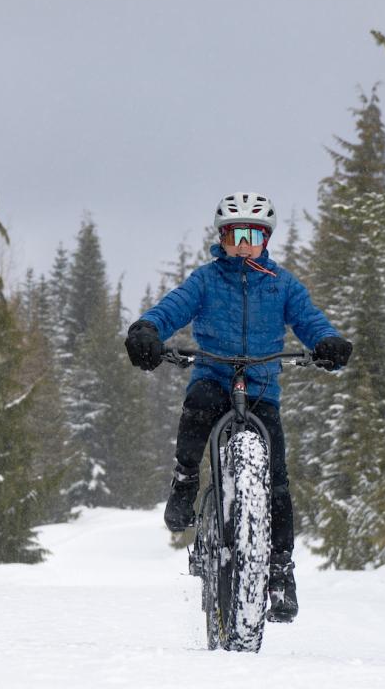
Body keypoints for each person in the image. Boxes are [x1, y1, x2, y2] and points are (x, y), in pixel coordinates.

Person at [124, 192, 353, 623]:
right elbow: (172, 308)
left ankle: (280, 571)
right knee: (197, 408)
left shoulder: (281, 284)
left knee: (278, 480)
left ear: (266, 239)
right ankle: (185, 480)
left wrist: (327, 342)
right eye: (235, 235)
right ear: (222, 239)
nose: (244, 244)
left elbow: (309, 319)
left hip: (262, 387)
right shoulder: (206, 280)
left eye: (253, 235)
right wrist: (147, 330)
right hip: (214, 375)